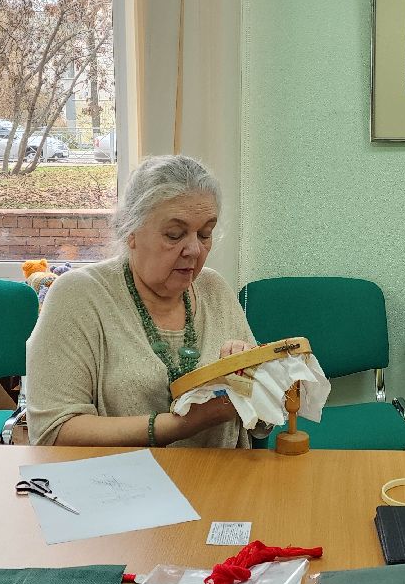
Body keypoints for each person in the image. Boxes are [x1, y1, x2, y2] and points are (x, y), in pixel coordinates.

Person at [25, 154, 256, 448]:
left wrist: (252, 383)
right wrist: (178, 425)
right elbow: (53, 432)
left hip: (221, 480)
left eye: (205, 233)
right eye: (175, 234)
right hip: (118, 484)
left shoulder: (213, 288)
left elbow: (260, 421)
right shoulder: (79, 296)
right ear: (130, 231)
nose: (194, 250)